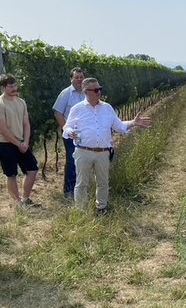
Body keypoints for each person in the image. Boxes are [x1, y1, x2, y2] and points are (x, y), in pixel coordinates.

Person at [62, 77, 151, 213]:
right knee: (81, 184)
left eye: (100, 89)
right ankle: (81, 211)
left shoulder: (107, 108)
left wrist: (133, 122)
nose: (99, 92)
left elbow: (119, 126)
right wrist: (70, 132)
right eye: (96, 90)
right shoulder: (77, 109)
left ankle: (101, 208)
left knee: (103, 183)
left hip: (103, 152)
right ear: (86, 92)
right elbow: (66, 127)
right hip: (83, 151)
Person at [0, 74, 40, 207]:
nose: (14, 88)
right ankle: (17, 203)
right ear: (3, 88)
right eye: (10, 86)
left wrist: (25, 142)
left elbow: (26, 123)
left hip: (21, 142)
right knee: (11, 173)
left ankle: (25, 199)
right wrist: (18, 143)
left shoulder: (21, 102)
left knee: (32, 169)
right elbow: (3, 129)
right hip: (4, 143)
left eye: (15, 85)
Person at [53, 67, 86, 199]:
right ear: (71, 79)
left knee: (84, 161)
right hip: (71, 135)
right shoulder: (66, 93)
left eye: (81, 77)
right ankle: (68, 191)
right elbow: (57, 112)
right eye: (76, 77)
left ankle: (80, 189)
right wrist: (66, 128)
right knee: (72, 161)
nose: (79, 80)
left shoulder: (87, 93)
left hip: (85, 134)